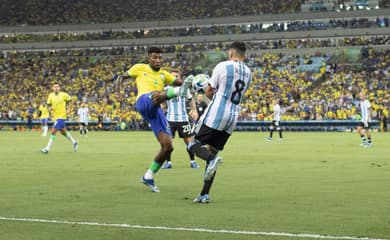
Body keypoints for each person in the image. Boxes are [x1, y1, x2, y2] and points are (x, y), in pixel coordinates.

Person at [116, 46, 193, 192]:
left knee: (168, 147)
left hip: (156, 109)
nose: (158, 60)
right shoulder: (140, 68)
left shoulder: (164, 74)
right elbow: (121, 77)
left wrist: (194, 83)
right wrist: (118, 91)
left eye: (160, 58)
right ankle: (176, 93)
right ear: (148, 58)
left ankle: (148, 176)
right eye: (154, 57)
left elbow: (180, 82)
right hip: (144, 101)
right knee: (157, 94)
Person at [187, 41, 252, 203]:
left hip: (216, 113)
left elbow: (210, 91)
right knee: (213, 151)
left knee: (192, 144)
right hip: (232, 117)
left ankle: (211, 161)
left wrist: (201, 95)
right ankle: (204, 194)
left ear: (231, 52)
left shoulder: (223, 66)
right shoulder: (249, 73)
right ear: (245, 55)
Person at [161, 71, 200, 169]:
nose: (175, 78)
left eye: (177, 76)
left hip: (183, 120)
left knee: (189, 142)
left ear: (180, 78)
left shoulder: (184, 89)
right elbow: (164, 105)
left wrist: (194, 110)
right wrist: (162, 109)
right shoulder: (166, 90)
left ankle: (193, 161)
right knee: (167, 143)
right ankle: (168, 163)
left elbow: (191, 100)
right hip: (170, 120)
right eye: (173, 76)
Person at [41, 82, 78, 154]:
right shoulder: (50, 95)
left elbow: (71, 101)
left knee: (53, 131)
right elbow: (48, 106)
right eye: (54, 87)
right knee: (63, 132)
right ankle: (74, 142)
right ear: (52, 88)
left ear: (59, 88)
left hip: (62, 116)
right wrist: (50, 109)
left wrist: (69, 109)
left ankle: (47, 149)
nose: (56, 88)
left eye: (57, 86)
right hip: (55, 117)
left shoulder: (64, 95)